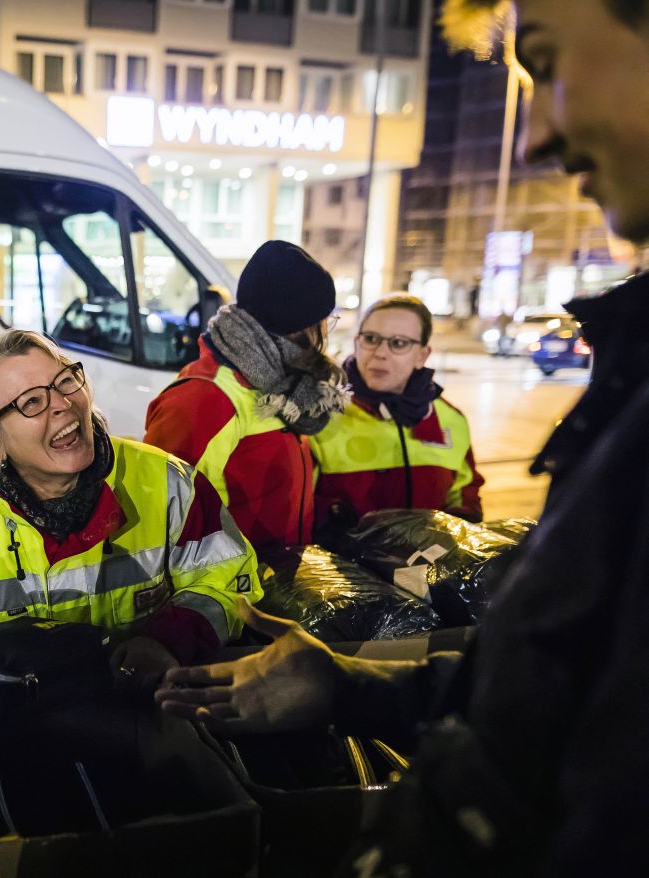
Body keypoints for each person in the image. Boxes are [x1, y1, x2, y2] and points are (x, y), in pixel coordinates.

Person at [158, 0, 649, 873]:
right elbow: (561, 689)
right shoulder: (221, 403)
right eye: (350, 336)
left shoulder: (429, 415)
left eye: (544, 63)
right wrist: (350, 682)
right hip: (250, 625)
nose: (534, 136)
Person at [0, 329, 261, 689]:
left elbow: (228, 584)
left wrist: (166, 642)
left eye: (65, 381)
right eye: (30, 402)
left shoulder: (169, 482)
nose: (62, 403)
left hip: (154, 709)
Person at [143, 240, 347, 552]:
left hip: (275, 581)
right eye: (324, 320)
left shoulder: (286, 386)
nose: (326, 333)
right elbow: (163, 519)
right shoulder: (207, 397)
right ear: (302, 326)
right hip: (235, 592)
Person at [309, 294, 484, 538]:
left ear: (422, 355)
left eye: (399, 343)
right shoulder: (319, 416)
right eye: (371, 339)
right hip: (343, 572)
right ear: (356, 343)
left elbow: (465, 497)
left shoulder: (449, 419)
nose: (380, 353)